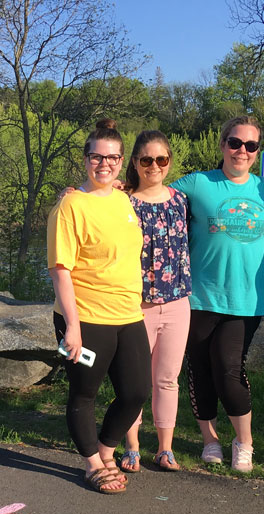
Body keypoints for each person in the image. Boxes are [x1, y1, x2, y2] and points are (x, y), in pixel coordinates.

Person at [171, 115, 264, 472]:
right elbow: (151, 193)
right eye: (235, 143)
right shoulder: (198, 183)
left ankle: (244, 442)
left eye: (250, 145)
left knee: (228, 370)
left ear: (257, 151)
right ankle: (209, 440)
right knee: (200, 369)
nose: (242, 151)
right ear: (223, 145)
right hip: (199, 297)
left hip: (247, 300)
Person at [48, 118, 150, 494]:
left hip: (128, 314)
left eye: (111, 158)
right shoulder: (71, 205)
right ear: (86, 158)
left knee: (136, 391)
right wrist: (71, 327)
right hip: (85, 316)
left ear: (121, 161)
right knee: (85, 393)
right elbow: (61, 268)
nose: (104, 164)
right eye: (96, 157)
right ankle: (93, 464)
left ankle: (106, 450)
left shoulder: (123, 199)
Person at [115, 130, 191, 473]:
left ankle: (165, 449)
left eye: (161, 159)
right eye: (146, 160)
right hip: (136, 304)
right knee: (134, 380)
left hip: (177, 303)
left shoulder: (180, 200)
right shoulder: (122, 200)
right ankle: (131, 446)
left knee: (167, 379)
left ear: (169, 162)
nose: (154, 166)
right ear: (135, 162)